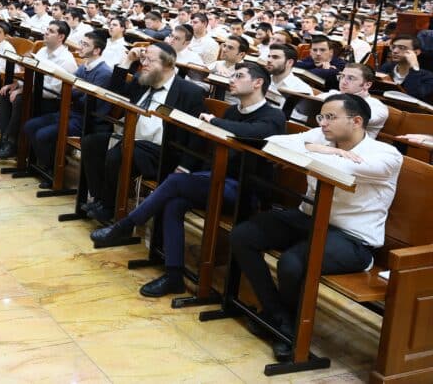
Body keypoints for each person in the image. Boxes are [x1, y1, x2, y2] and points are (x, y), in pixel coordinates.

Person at [91, 62, 286, 297]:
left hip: (243, 189)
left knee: (174, 182)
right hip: (213, 179)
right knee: (174, 204)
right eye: (232, 74)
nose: (231, 80)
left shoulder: (274, 116)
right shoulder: (232, 112)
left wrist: (213, 121)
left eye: (239, 76)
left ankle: (125, 226)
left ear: (258, 83)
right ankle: (174, 275)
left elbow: (252, 133)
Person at [231, 94, 402, 362]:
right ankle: (279, 316)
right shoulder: (321, 138)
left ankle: (288, 331)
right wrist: (324, 148)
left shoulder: (387, 154)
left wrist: (318, 151)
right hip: (310, 220)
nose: (322, 123)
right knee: (244, 235)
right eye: (321, 116)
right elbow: (274, 142)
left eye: (330, 117)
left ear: (356, 121)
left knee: (292, 262)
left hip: (353, 239)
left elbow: (343, 167)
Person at [79, 41, 206, 224]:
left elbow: (196, 134)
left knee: (120, 152)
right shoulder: (144, 81)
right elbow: (115, 93)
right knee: (91, 142)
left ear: (167, 65)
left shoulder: (189, 92)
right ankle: (101, 199)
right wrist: (127, 61)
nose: (144, 63)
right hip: (132, 139)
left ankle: (108, 208)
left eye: (150, 60)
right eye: (143, 58)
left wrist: (185, 167)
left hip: (161, 151)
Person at [21, 31, 113, 180]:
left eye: (85, 45)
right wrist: (74, 92)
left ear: (96, 50)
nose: (80, 47)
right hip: (70, 112)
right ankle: (49, 163)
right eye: (81, 43)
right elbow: (72, 90)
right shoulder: (84, 67)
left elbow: (92, 103)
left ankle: (55, 170)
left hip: (85, 120)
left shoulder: (104, 73)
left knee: (43, 134)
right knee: (30, 126)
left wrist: (74, 93)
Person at [0, 21, 77, 159]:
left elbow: (53, 90)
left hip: (52, 101)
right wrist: (17, 85)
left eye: (51, 31)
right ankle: (2, 139)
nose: (46, 32)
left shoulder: (66, 60)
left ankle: (12, 143)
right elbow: (31, 77)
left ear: (61, 37)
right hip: (36, 93)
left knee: (19, 99)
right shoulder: (42, 51)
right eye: (47, 29)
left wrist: (24, 90)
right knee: (6, 92)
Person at [378, 34, 433, 102]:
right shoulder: (386, 67)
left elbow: (412, 96)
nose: (395, 51)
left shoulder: (428, 77)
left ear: (416, 52)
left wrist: (415, 68)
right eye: (393, 47)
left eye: (402, 48)